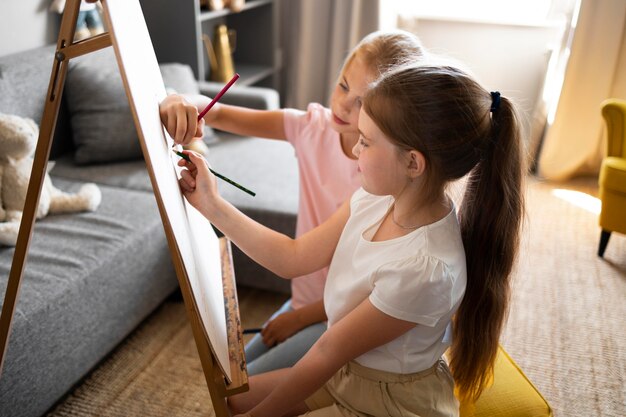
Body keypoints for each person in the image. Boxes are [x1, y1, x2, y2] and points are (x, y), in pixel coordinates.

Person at [171, 61, 525, 416]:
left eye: (366, 142)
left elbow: (327, 352)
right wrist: (211, 204)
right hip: (348, 374)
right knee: (229, 400)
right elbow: (292, 258)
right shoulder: (375, 197)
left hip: (388, 402)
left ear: (413, 163)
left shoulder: (426, 268)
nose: (354, 150)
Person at [159, 30, 426, 375]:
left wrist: (298, 318)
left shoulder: (382, 178)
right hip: (304, 299)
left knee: (242, 389)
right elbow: (218, 112)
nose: (344, 105)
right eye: (344, 86)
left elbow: (369, 294)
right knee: (228, 376)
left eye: (363, 101)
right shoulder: (312, 127)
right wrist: (174, 100)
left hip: (343, 316)